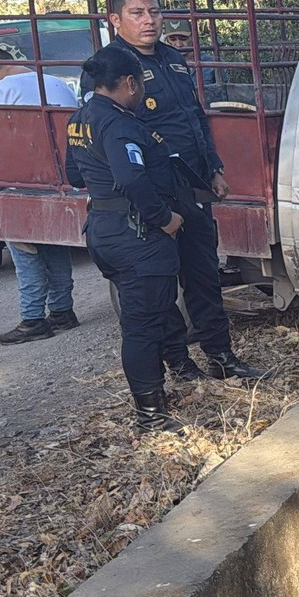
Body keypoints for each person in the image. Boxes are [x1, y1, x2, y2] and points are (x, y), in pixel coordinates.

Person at [100, 0, 263, 381]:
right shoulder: (112, 67)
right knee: (161, 283)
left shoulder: (173, 58)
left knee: (203, 273)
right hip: (153, 192)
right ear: (116, 20)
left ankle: (221, 356)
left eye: (154, 12)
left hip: (191, 184)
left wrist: (213, 167)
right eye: (137, 13)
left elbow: (194, 118)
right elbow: (114, 132)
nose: (149, 21)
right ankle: (179, 362)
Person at [65, 47, 184, 431]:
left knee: (152, 312)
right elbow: (132, 178)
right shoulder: (120, 124)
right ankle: (150, 416)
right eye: (140, 84)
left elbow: (74, 175)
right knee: (142, 326)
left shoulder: (80, 118)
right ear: (130, 83)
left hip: (104, 228)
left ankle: (168, 384)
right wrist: (164, 219)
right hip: (136, 236)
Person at [0, 43, 82, 345]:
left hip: (19, 182)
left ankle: (32, 318)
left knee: (26, 253)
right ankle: (62, 311)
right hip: (61, 181)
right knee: (56, 245)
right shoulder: (57, 83)